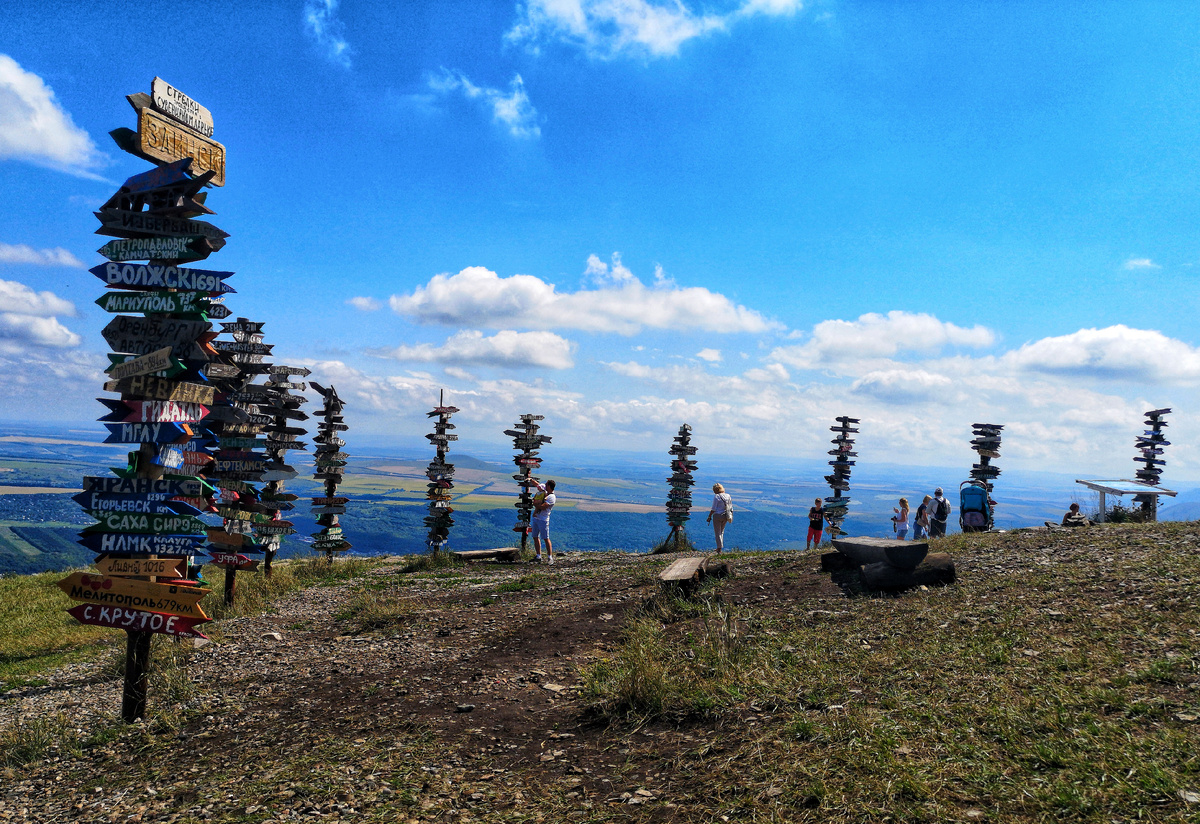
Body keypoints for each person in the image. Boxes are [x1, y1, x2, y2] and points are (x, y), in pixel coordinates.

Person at [528, 479, 557, 564]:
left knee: (545, 538)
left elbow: (543, 507)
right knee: (535, 537)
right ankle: (538, 556)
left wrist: (534, 503)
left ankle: (550, 557)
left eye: (546, 485)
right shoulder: (546, 493)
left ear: (548, 486)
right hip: (537, 518)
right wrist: (531, 480)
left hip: (543, 519)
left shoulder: (551, 497)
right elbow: (538, 485)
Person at [706, 483, 733, 553]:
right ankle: (720, 547)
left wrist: (709, 516)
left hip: (717, 515)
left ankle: (719, 548)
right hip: (725, 515)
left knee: (717, 532)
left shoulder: (716, 496)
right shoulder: (728, 496)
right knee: (722, 531)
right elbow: (730, 507)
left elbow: (714, 508)